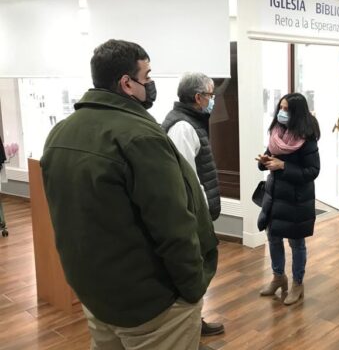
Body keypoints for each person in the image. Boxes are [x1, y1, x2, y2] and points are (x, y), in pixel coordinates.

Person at [41, 39, 218, 350]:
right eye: (147, 77)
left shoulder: (60, 133)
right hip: (150, 305)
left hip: (97, 293)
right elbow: (173, 226)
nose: (150, 84)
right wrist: (193, 288)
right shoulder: (141, 137)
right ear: (126, 83)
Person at [161, 72, 224, 337]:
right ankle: (188, 331)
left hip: (198, 214)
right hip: (192, 217)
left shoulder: (191, 121)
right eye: (210, 95)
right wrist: (197, 217)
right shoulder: (183, 127)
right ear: (198, 97)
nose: (213, 100)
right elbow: (186, 180)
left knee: (197, 272)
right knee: (192, 273)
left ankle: (193, 325)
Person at [257, 93, 320, 306]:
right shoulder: (277, 131)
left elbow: (312, 171)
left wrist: (284, 166)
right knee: (273, 236)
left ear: (297, 113)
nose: (282, 113)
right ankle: (278, 277)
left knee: (296, 242)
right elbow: (269, 156)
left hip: (296, 199)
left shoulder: (306, 137)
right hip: (275, 196)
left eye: (287, 109)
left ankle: (297, 284)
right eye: (280, 108)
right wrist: (264, 161)